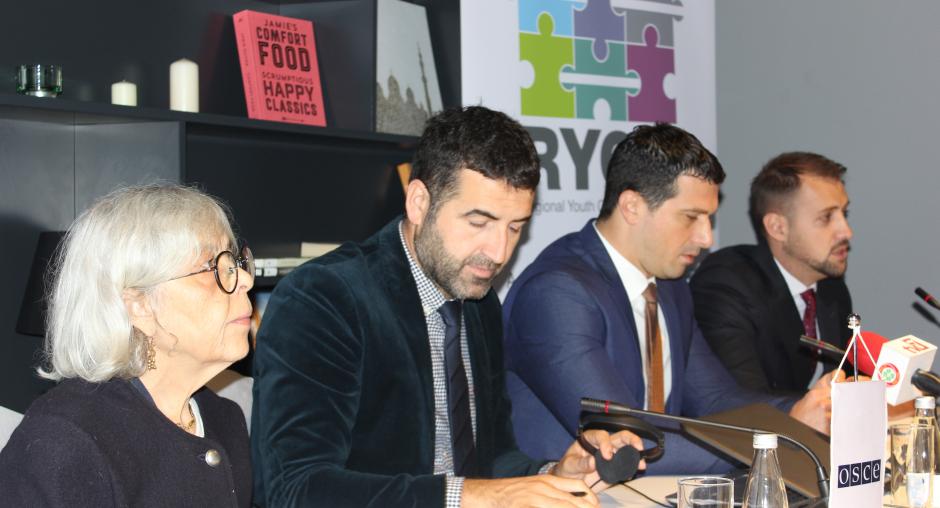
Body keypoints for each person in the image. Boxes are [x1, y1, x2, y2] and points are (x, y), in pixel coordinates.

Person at [251, 106, 643, 508]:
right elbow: (297, 488)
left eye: (515, 228)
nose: (499, 252)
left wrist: (551, 476)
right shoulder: (324, 299)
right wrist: (469, 496)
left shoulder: (479, 302)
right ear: (419, 202)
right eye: (478, 222)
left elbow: (493, 459)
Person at [502, 124, 835, 475]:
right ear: (632, 206)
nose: (706, 238)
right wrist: (783, 436)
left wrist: (807, 408)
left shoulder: (670, 285)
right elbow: (626, 438)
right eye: (691, 217)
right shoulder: (557, 293)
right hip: (572, 491)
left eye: (709, 219)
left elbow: (716, 400)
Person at [0, 184, 254, 506]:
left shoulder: (224, 419)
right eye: (213, 266)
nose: (245, 279)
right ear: (138, 306)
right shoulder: (64, 440)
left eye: (235, 261)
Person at [690, 152, 853, 395]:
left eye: (844, 213)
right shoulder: (726, 285)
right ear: (778, 228)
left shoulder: (831, 287)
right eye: (826, 217)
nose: (846, 232)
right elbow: (745, 400)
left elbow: (846, 380)